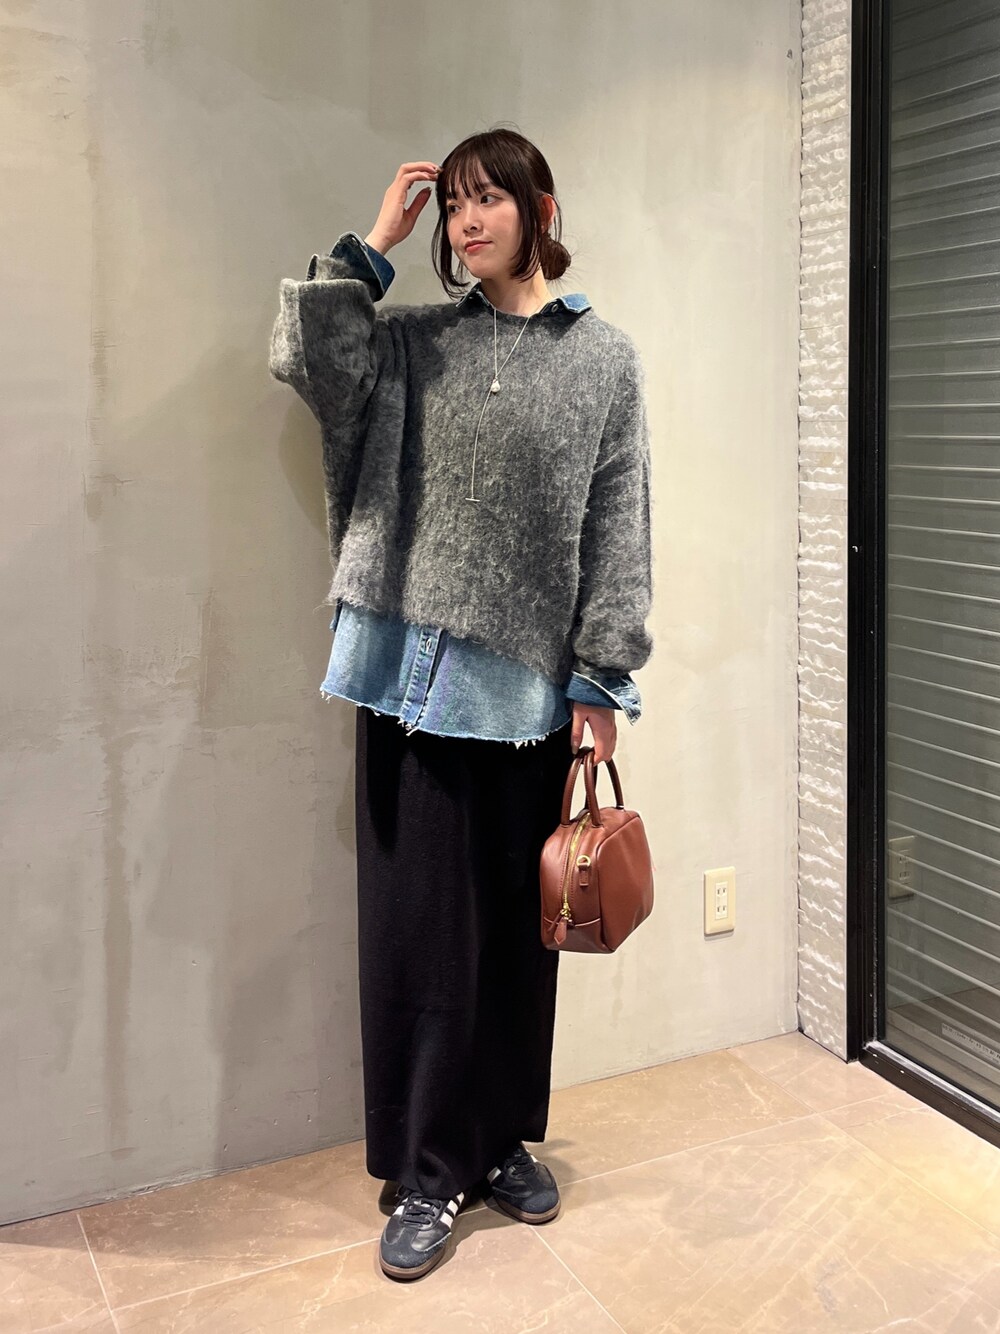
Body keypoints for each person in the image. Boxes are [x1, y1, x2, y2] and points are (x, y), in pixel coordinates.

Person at [269, 127, 654, 1281]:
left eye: (490, 199)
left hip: (530, 692)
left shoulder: (603, 360)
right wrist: (371, 244)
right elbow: (305, 357)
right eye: (455, 205)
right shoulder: (415, 343)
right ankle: (427, 1170)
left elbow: (617, 520)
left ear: (541, 208)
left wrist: (603, 678)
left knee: (518, 939)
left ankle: (497, 1143)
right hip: (410, 686)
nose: (468, 221)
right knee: (423, 943)